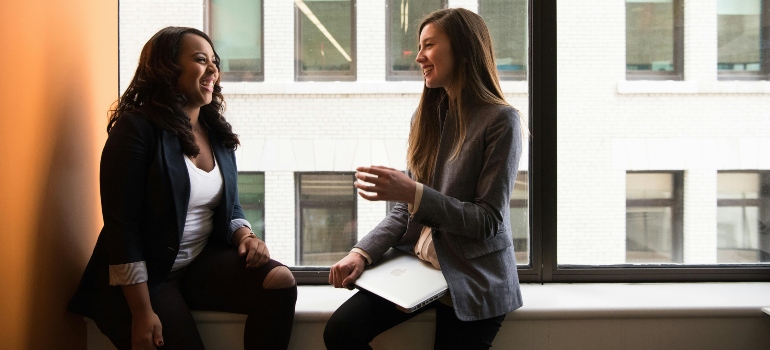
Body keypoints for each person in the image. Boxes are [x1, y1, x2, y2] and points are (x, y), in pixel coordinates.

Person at [67, 27, 296, 350]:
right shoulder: (136, 129)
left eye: (215, 61)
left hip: (195, 264)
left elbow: (227, 205)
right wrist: (142, 313)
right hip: (147, 281)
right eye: (201, 60)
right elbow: (122, 229)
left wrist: (246, 235)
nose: (213, 69)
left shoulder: (215, 131)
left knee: (280, 281)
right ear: (167, 68)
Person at [324, 8, 525, 350]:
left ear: (462, 50)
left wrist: (415, 193)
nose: (418, 57)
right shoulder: (428, 115)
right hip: (421, 268)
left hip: (473, 277)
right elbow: (405, 211)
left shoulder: (501, 121)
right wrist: (362, 253)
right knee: (340, 333)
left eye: (429, 45)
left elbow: (488, 220)